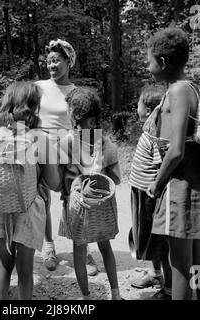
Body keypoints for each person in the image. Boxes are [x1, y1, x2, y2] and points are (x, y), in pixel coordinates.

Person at [0, 81, 61, 300]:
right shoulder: (39, 138)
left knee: (4, 265)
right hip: (28, 208)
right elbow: (54, 183)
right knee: (25, 272)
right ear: (34, 105)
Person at [36, 39, 99, 275]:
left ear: (69, 62)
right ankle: (48, 246)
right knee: (42, 198)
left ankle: (82, 249)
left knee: (73, 198)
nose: (52, 65)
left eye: (57, 60)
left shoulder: (75, 92)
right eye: (49, 60)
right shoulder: (38, 86)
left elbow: (81, 125)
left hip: (68, 148)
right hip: (41, 147)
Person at [146, 28, 200, 300]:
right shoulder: (192, 88)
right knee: (194, 260)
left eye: (150, 60)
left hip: (179, 185)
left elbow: (176, 149)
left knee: (179, 260)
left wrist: (157, 183)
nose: (148, 67)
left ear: (163, 62)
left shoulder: (178, 90)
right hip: (194, 184)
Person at [58, 87, 122, 300]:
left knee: (79, 249)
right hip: (102, 205)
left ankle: (86, 298)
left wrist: (71, 185)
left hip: (77, 207)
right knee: (105, 246)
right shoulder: (104, 142)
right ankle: (115, 294)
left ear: (75, 115)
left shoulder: (67, 141)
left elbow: (59, 180)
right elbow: (116, 177)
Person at [128, 84, 172, 300]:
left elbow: (159, 166)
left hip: (149, 196)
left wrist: (154, 189)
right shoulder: (150, 128)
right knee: (148, 238)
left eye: (138, 103)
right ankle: (155, 274)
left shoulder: (156, 133)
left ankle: (169, 289)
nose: (136, 107)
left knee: (160, 243)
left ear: (147, 109)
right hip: (140, 193)